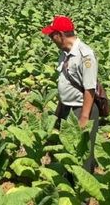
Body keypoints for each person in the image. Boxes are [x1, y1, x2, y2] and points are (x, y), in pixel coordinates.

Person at [41, 15, 100, 173]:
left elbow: (89, 88)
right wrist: (59, 110)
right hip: (67, 108)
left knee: (83, 153)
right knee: (67, 148)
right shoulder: (65, 52)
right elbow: (65, 82)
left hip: (81, 109)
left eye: (51, 35)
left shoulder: (85, 55)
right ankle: (68, 182)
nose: (50, 39)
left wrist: (84, 118)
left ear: (60, 35)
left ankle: (83, 195)